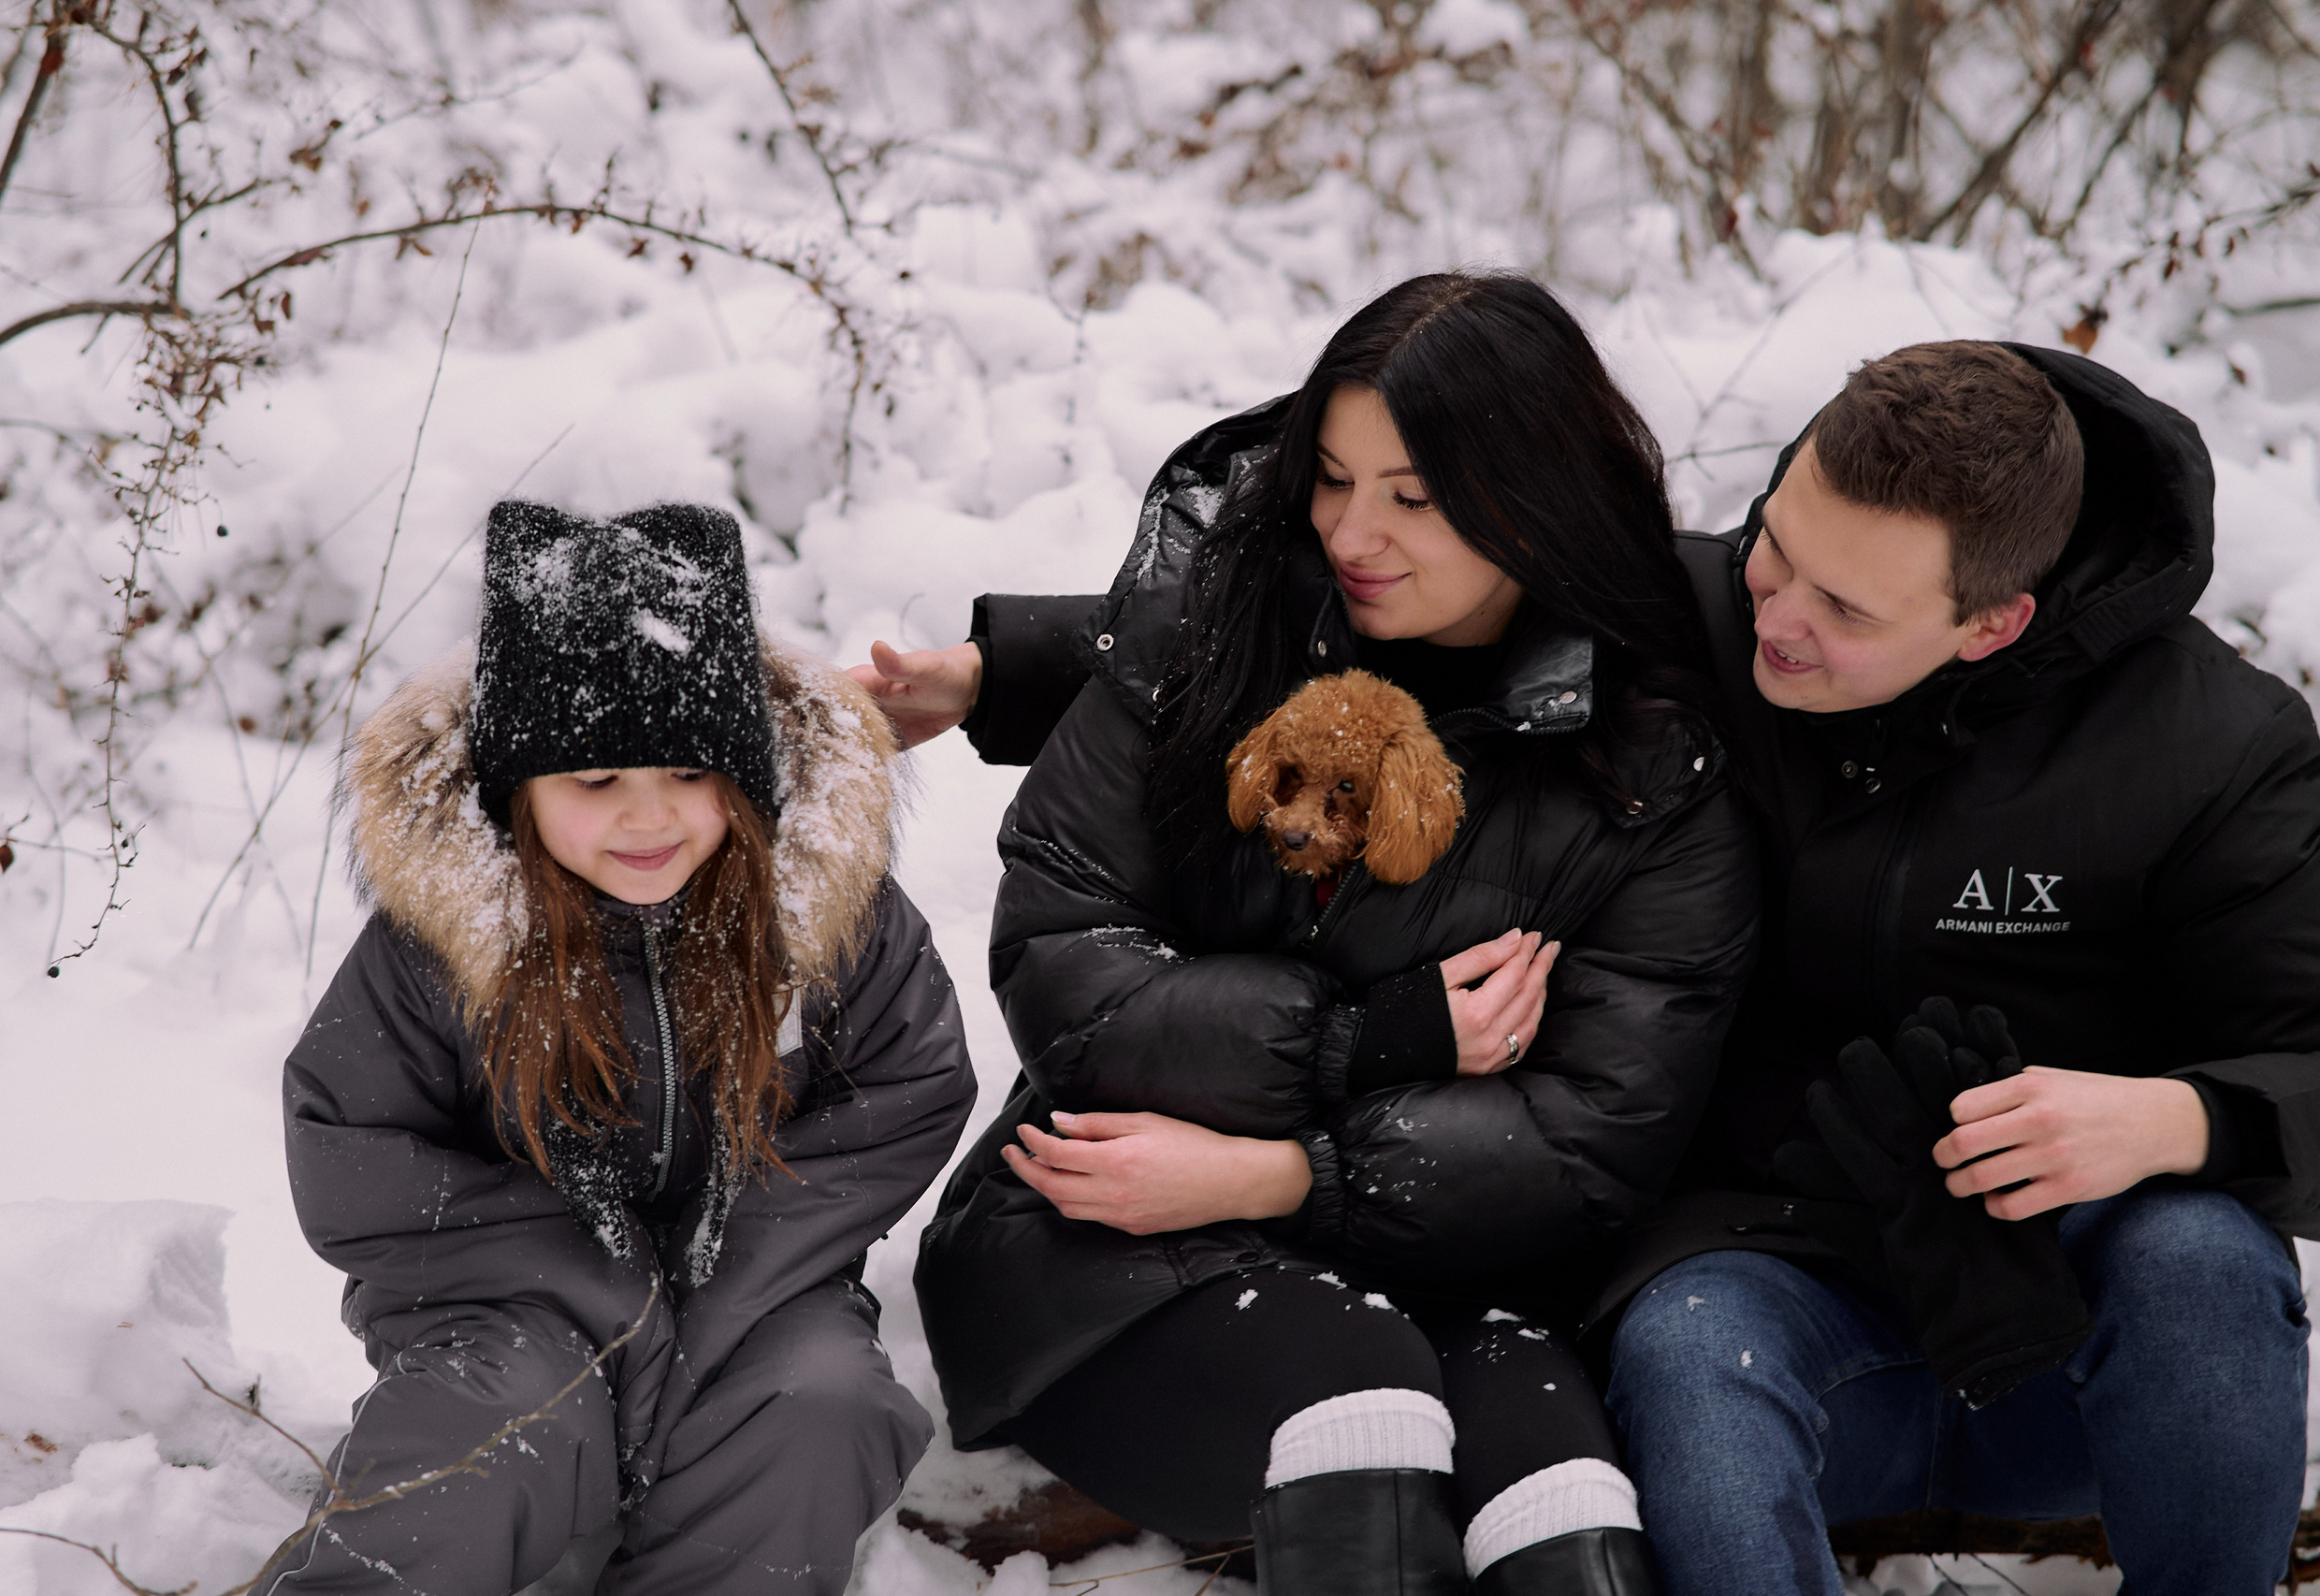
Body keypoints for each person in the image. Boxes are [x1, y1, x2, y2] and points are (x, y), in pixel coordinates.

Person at [874, 340, 2320, 1595]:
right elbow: (1396, 613)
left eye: (1846, 611)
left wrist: (2177, 1118)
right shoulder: (1710, 620)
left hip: (2073, 1314)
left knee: (2200, 1253)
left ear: (1995, 622)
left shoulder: (2215, 753)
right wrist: (1006, 674)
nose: (1776, 615)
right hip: (1768, 1259)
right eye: (1774, 546)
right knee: (1694, 1352)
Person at [907, 272, 1762, 1596]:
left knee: (1557, 1488)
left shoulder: (1646, 761)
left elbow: (1594, 1134)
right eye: (1332, 477)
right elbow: (1067, 958)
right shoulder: (1215, 623)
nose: (1354, 530)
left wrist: (1284, 1174)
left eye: (1413, 496)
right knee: (1366, 1411)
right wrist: (1371, 1037)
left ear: (1539, 499)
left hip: (1445, 1250)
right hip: (1117, 1226)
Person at [272, 501, 975, 1596]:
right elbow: (353, 1143)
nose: (649, 818)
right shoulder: (446, 940)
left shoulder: (824, 914)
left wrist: (724, 1288)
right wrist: (618, 1297)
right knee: (489, 1422)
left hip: (761, 1282)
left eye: (691, 775)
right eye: (595, 782)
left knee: (820, 1408)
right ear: (519, 792)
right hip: (507, 1296)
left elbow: (905, 1086)